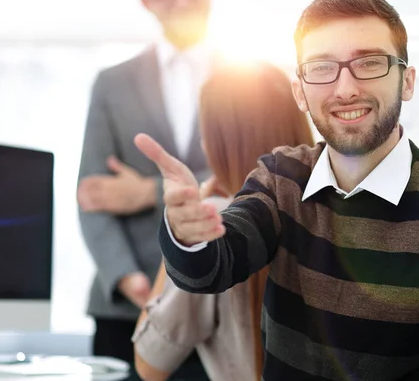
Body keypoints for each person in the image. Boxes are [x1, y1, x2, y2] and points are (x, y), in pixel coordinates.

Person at [135, 0, 419, 381]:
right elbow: (212, 268)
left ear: (407, 81)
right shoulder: (279, 178)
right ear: (300, 92)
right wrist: (187, 234)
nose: (345, 88)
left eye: (369, 63)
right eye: (321, 68)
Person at [131, 62, 315, 381]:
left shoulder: (215, 222)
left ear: (221, 141)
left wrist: (180, 237)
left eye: (206, 134)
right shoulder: (328, 209)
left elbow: (150, 362)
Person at [77, 0, 214, 377]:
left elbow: (258, 179)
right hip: (127, 307)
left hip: (219, 298)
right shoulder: (111, 84)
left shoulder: (257, 80)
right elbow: (92, 196)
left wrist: (148, 192)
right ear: (146, 1)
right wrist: (127, 279)